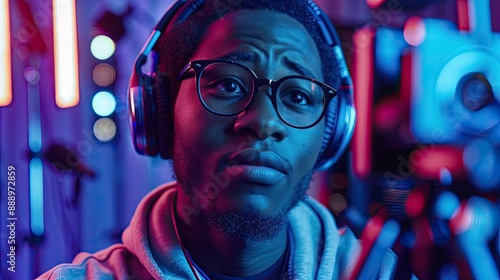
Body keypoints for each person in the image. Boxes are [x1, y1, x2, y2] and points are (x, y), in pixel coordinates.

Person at [38, 0, 396, 279]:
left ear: (331, 131)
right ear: (161, 110)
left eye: (298, 96)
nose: (263, 121)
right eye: (228, 85)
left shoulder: (387, 273)